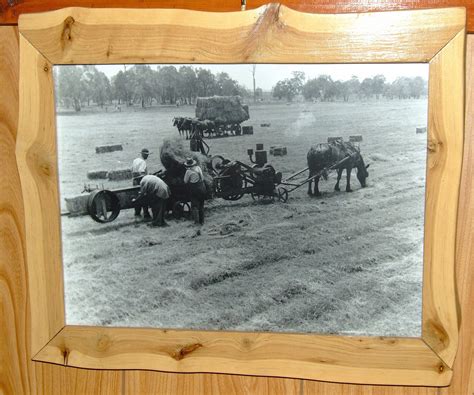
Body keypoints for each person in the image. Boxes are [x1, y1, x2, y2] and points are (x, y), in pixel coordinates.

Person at [183, 157, 206, 225]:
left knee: (195, 206)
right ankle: (202, 221)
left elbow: (185, 181)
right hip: (202, 187)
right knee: (201, 205)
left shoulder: (188, 171)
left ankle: (196, 222)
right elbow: (202, 177)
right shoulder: (198, 168)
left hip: (195, 189)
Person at [132, 148, 150, 219]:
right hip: (140, 181)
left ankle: (137, 212)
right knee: (144, 196)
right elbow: (141, 173)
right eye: (146, 155)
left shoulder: (135, 160)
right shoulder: (143, 162)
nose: (147, 156)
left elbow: (133, 171)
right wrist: (147, 176)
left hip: (134, 181)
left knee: (136, 196)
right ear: (143, 154)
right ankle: (146, 214)